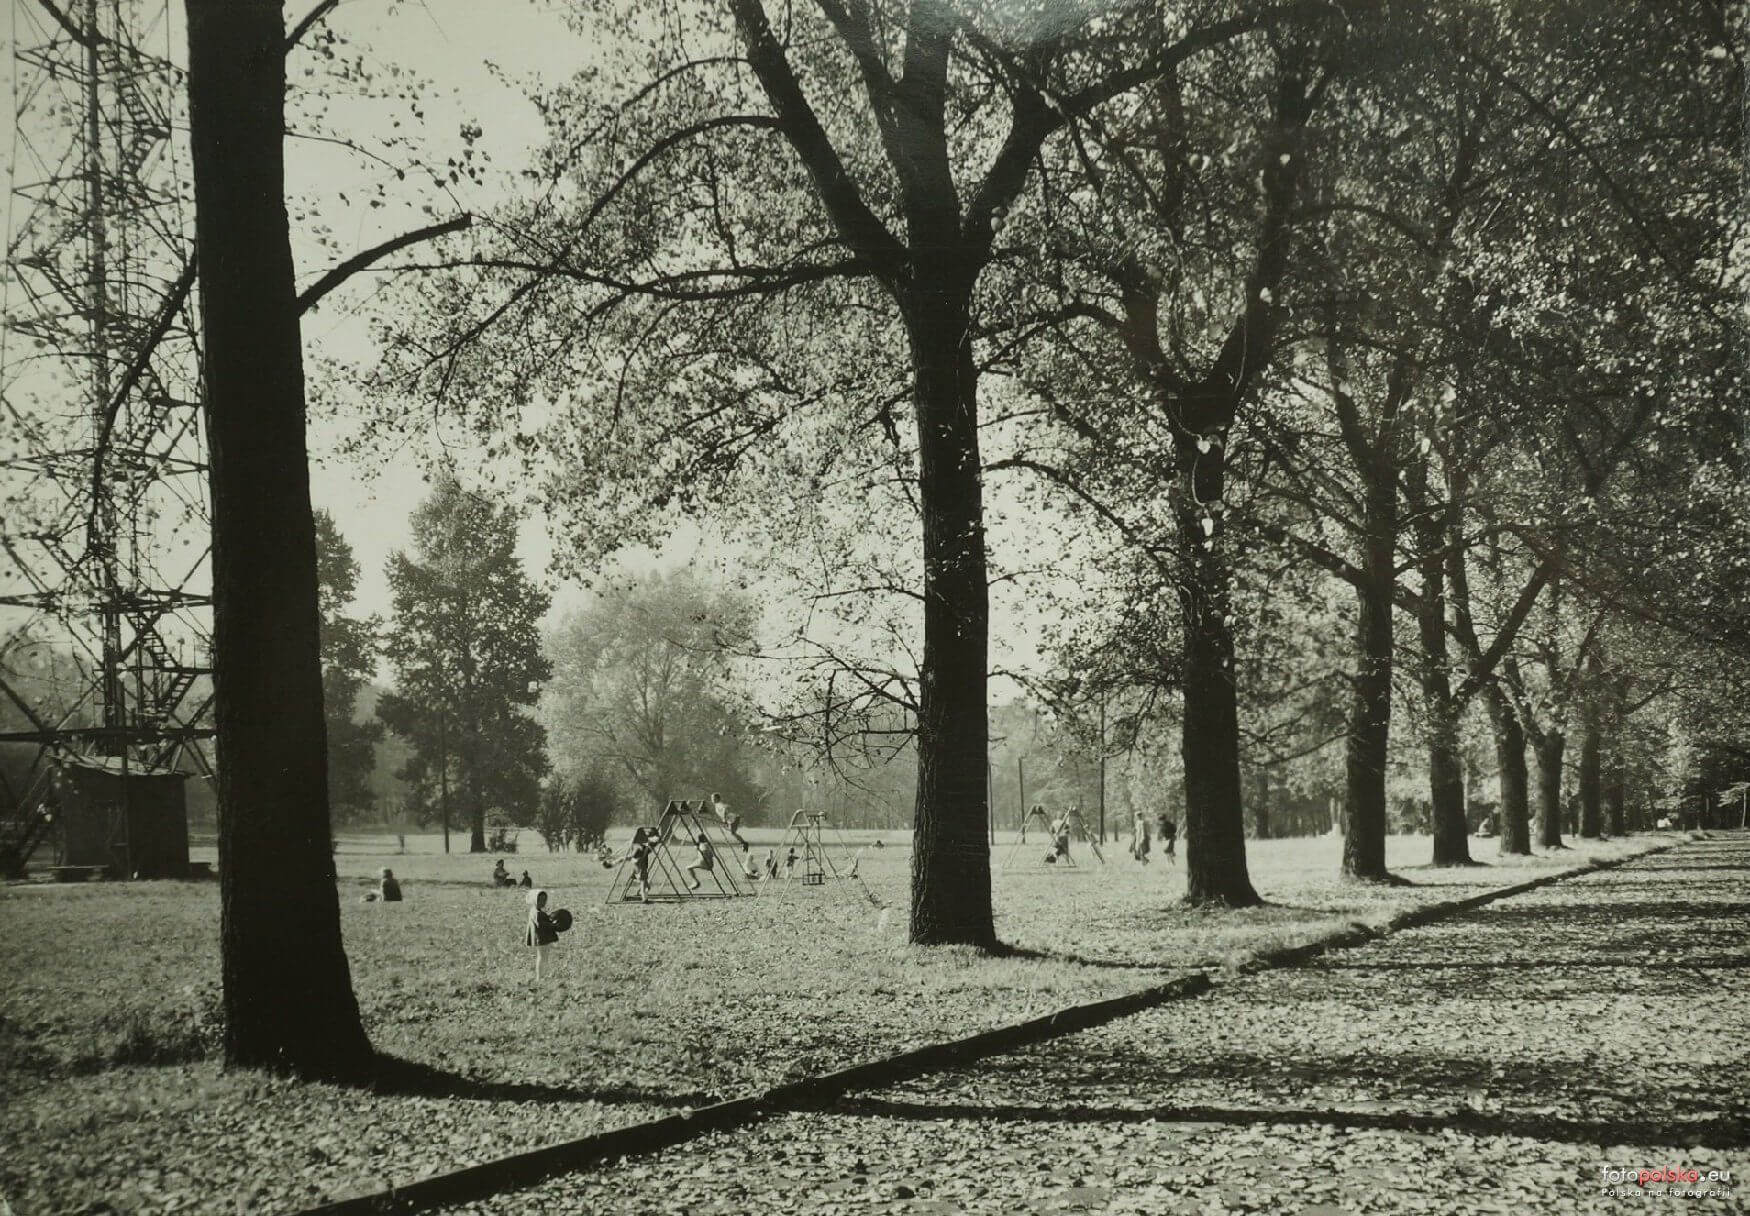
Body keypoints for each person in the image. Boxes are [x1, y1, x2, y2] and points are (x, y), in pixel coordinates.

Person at [525, 888, 558, 982]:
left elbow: (543, 921)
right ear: (534, 900)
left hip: (541, 936)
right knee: (542, 956)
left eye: (544, 900)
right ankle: (539, 977)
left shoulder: (535, 910)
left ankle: (542, 975)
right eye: (540, 900)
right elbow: (541, 924)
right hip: (541, 937)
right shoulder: (537, 913)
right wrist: (553, 924)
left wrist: (549, 918)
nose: (543, 902)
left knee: (544, 956)